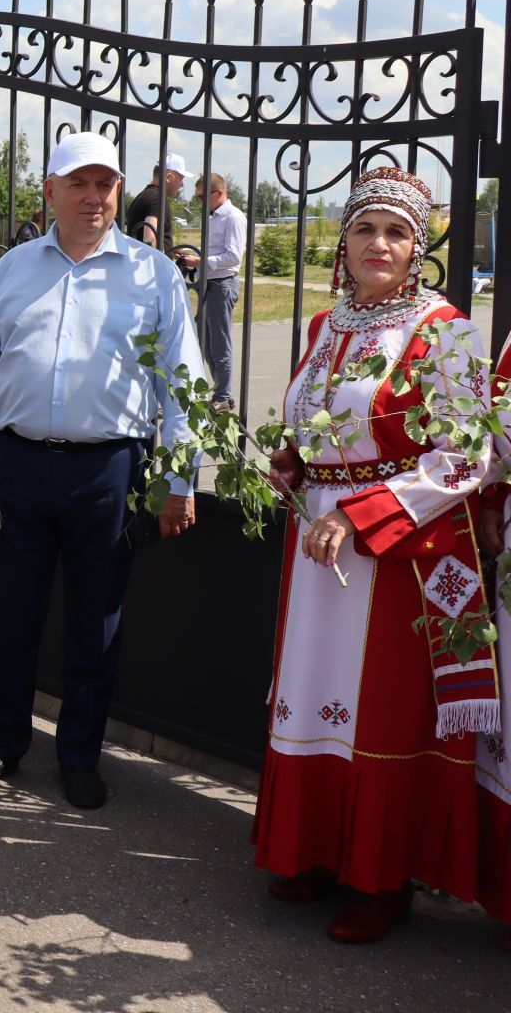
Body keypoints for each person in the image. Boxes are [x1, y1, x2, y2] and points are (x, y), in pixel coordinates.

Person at [252, 167, 493, 944]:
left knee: (375, 706)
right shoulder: (328, 327)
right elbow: (318, 425)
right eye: (365, 228)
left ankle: (379, 879)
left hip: (392, 553)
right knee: (315, 691)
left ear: (418, 248)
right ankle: (316, 851)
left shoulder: (444, 328)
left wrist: (361, 516)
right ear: (344, 242)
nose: (378, 244)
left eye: (396, 232)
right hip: (317, 542)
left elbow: (469, 454)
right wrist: (291, 460)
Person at [0, 131, 203, 810]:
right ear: (51, 191)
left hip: (109, 470)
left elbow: (184, 384)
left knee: (95, 621)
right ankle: (0, 743)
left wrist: (181, 482)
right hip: (16, 463)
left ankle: (79, 754)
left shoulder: (152, 273)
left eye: (106, 184)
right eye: (80, 183)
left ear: (119, 191)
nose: (94, 197)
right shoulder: (11, 269)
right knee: (9, 615)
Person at [193, 173, 247, 411]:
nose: (200, 202)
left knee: (219, 343)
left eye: (203, 197)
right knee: (204, 341)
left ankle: (223, 395)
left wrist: (201, 260)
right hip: (210, 282)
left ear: (219, 193)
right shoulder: (213, 216)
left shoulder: (233, 217)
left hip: (223, 283)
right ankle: (220, 392)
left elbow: (234, 256)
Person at [124, 153, 186, 250]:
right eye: (181, 178)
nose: (182, 184)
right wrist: (160, 263)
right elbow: (149, 239)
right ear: (169, 177)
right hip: (152, 264)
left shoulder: (145, 195)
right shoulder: (157, 198)